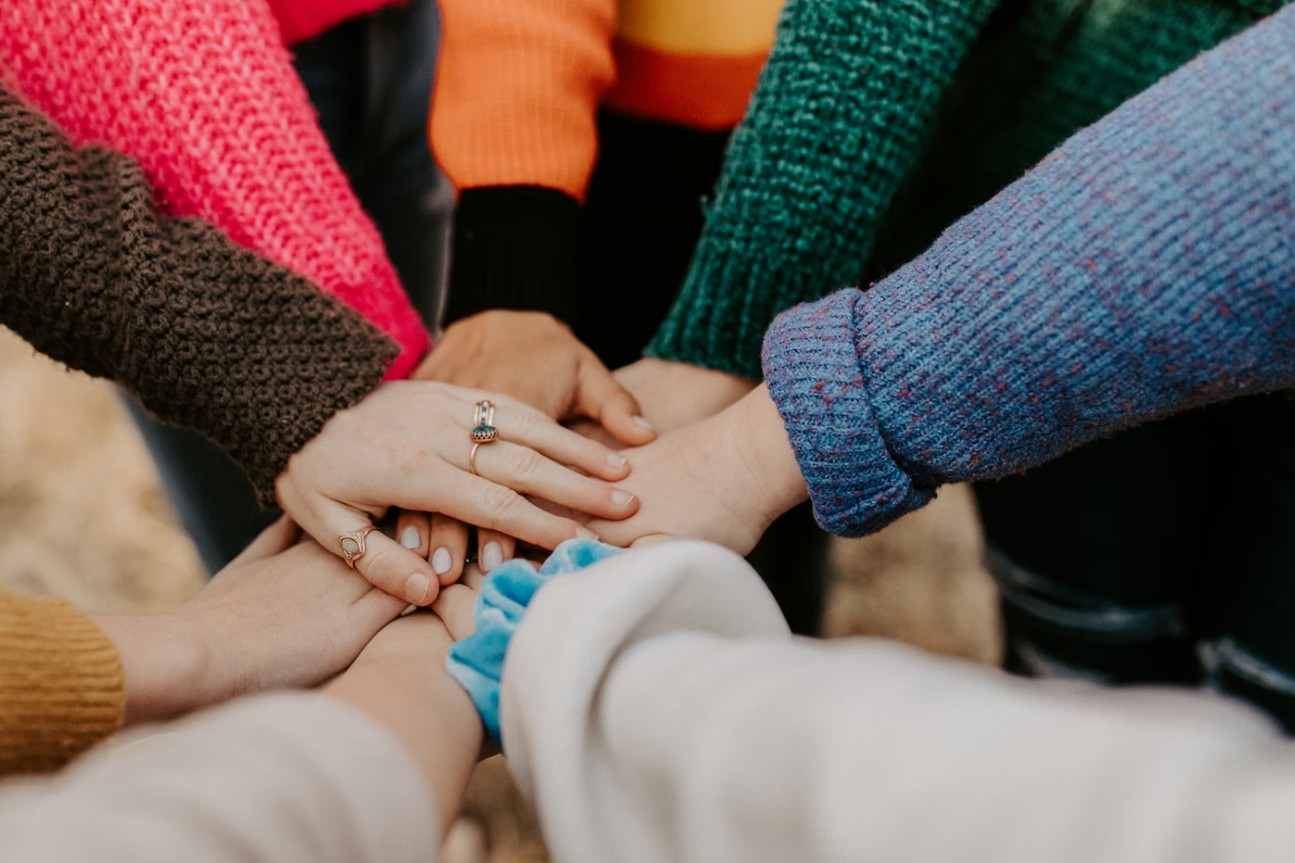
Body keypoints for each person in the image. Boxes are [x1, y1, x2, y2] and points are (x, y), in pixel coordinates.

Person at [0, 81, 634, 607]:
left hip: (411, 43)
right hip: (144, 133)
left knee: (419, 477)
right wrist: (275, 370)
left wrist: (511, 271)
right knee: (316, 598)